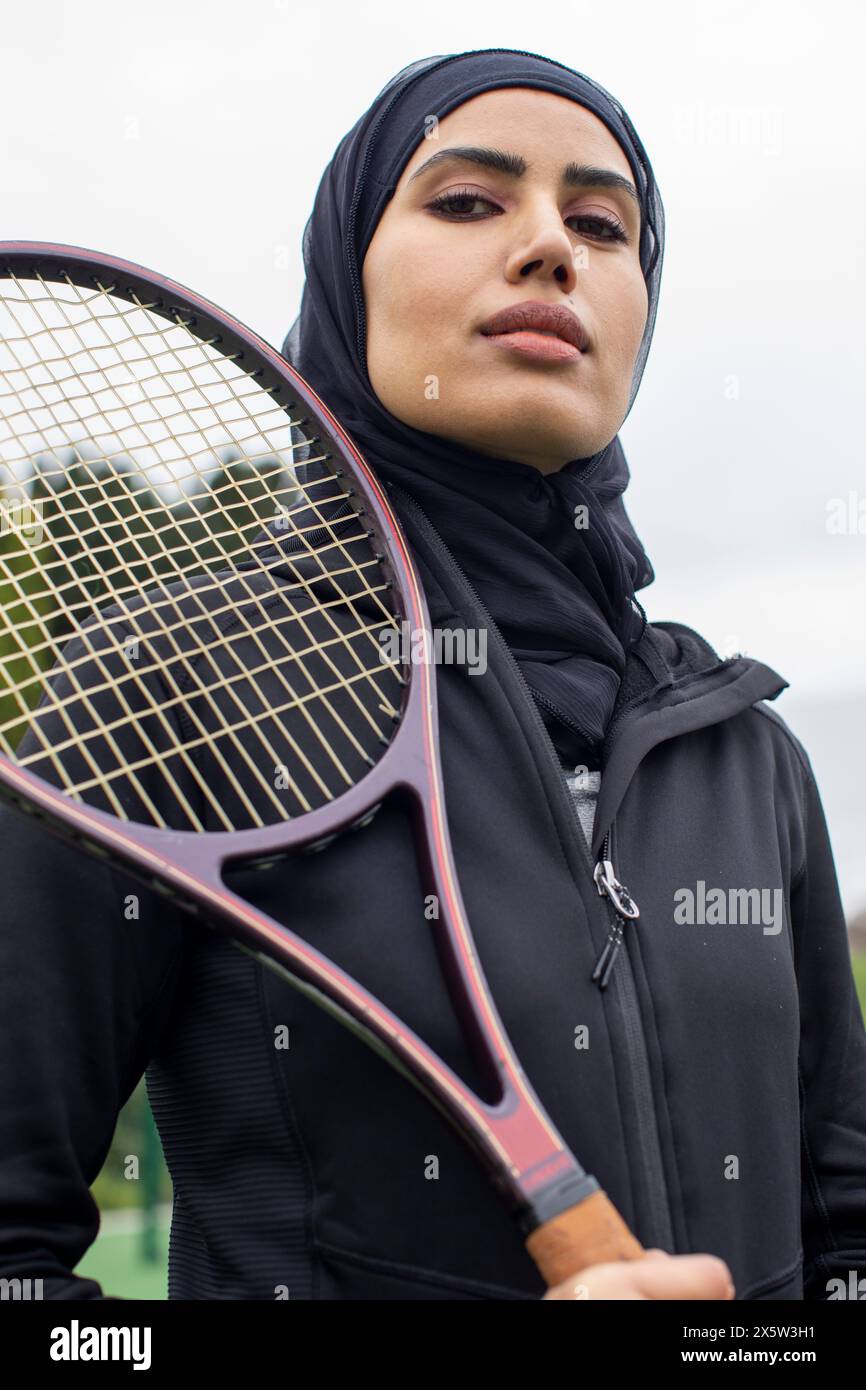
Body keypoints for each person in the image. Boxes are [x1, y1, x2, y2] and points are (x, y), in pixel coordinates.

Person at [1, 46, 864, 1302]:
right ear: (344, 279)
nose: (549, 250)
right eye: (465, 201)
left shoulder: (744, 751)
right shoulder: (165, 681)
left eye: (601, 223)